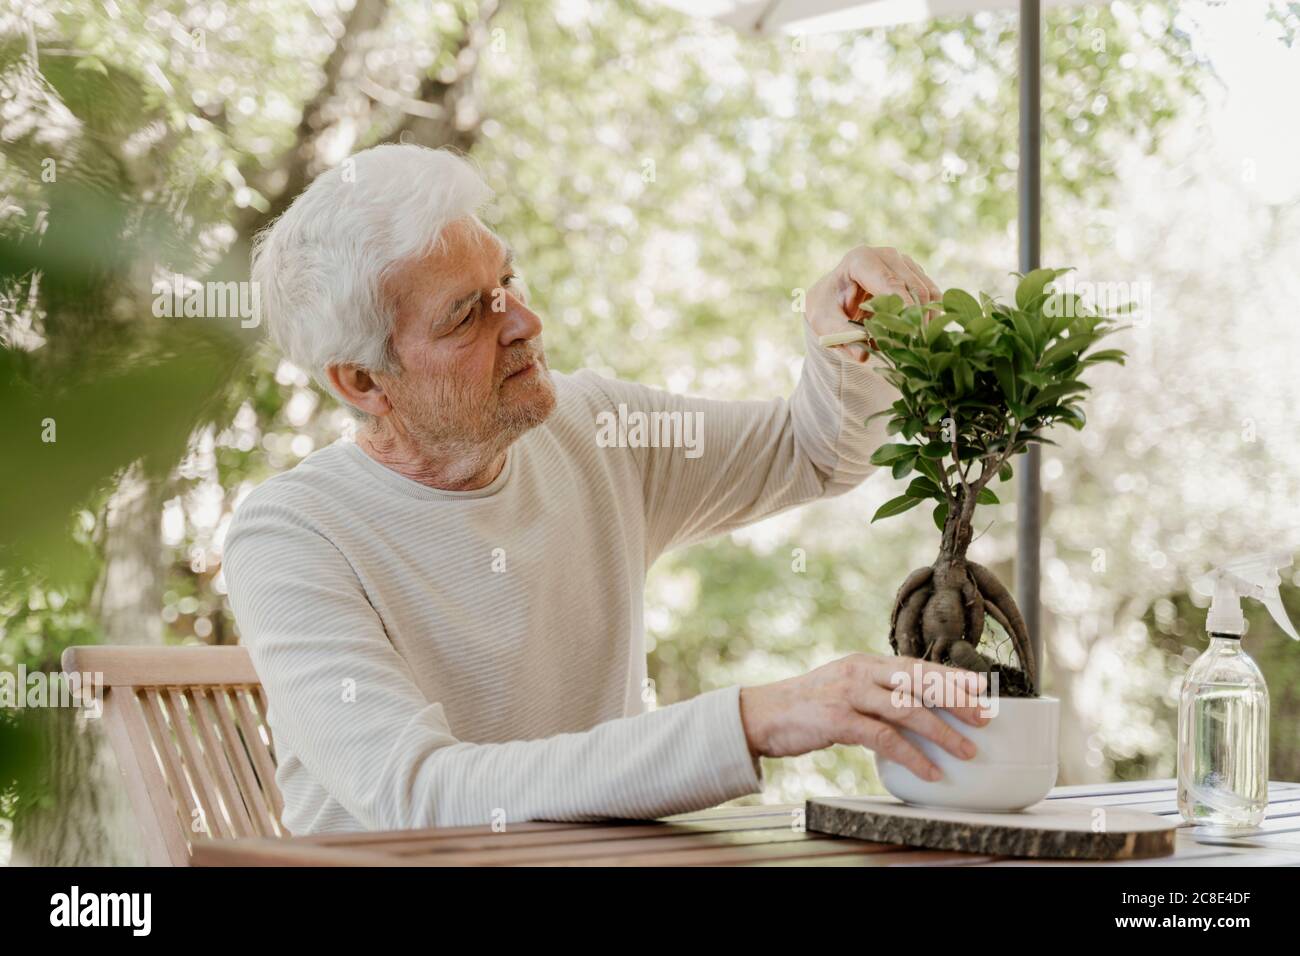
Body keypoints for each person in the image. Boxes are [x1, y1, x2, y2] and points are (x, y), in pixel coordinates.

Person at [223, 143, 988, 833]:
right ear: (362, 381)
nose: (524, 320)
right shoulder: (292, 535)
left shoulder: (599, 429)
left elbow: (811, 453)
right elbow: (416, 792)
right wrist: (752, 721)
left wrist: (838, 334)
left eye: (508, 281)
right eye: (466, 314)